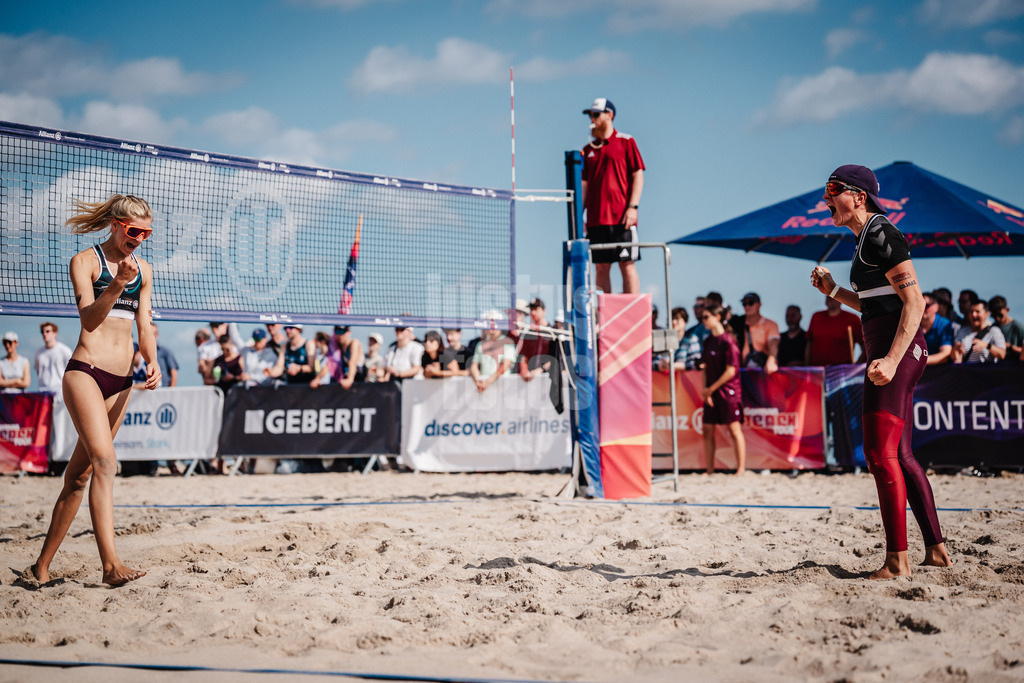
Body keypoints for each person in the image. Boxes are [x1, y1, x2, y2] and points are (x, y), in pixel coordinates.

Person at [810, 164, 950, 579]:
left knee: (879, 454)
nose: (826, 199)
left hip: (898, 353)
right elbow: (876, 305)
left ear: (858, 195)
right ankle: (937, 552)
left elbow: (916, 303)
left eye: (832, 191)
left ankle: (897, 561)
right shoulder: (863, 240)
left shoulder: (880, 233)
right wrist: (834, 292)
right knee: (901, 456)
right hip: (896, 351)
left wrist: (890, 359)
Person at [29, 193, 161, 587]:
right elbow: (88, 320)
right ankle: (110, 566)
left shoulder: (144, 269)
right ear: (116, 225)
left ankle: (40, 566)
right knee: (107, 463)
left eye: (146, 233)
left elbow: (144, 327)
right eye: (134, 230)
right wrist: (116, 285)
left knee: (79, 476)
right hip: (85, 373)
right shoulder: (86, 261)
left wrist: (150, 360)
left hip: (121, 381)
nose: (139, 238)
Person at [581, 97, 645, 294]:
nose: (592, 118)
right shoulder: (587, 150)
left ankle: (631, 313)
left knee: (626, 263)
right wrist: (580, 217)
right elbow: (584, 186)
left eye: (596, 114)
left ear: (610, 115)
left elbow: (638, 173)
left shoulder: (626, 141)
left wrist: (633, 207)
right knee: (601, 266)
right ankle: (605, 315)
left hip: (621, 218)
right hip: (596, 220)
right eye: (591, 115)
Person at [699, 304, 745, 475]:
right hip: (712, 390)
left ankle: (741, 469)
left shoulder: (728, 341)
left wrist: (710, 389)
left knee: (734, 429)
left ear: (717, 317)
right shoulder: (708, 341)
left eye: (706, 317)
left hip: (728, 391)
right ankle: (709, 470)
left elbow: (731, 370)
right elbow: (704, 367)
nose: (703, 321)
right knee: (707, 429)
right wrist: (705, 390)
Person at [805, 295, 864, 366]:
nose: (830, 298)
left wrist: (855, 368)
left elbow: (865, 345)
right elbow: (809, 343)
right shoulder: (816, 317)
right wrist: (807, 367)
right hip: (817, 371)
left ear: (841, 300)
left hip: (842, 372)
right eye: (828, 295)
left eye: (833, 295)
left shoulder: (852, 319)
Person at [470, 311, 517, 393]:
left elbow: (505, 365)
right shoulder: (480, 344)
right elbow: (474, 366)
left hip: (504, 389)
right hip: (484, 389)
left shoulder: (508, 342)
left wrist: (488, 382)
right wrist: (478, 381)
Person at [737, 292, 780, 374]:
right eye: (744, 304)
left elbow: (773, 343)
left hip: (763, 374)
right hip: (742, 374)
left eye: (751, 303)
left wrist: (771, 360)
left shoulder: (770, 325)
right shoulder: (738, 324)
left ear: (759, 304)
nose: (747, 306)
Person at [952, 300, 1006, 364]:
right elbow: (955, 358)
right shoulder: (962, 331)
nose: (974, 315)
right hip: (967, 372)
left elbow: (1002, 354)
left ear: (987, 314)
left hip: (986, 372)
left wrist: (987, 346)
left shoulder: (994, 331)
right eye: (971, 312)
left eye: (977, 312)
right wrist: (956, 349)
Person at [517, 298, 552, 382]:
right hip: (530, 380)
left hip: (548, 379)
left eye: (536, 309)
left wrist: (540, 370)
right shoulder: (529, 334)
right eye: (531, 310)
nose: (533, 312)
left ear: (544, 311)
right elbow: (523, 356)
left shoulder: (552, 332)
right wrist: (524, 370)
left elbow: (556, 358)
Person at [656, 306, 701, 372]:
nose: (673, 322)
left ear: (685, 321)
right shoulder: (663, 339)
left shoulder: (691, 339)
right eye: (671, 319)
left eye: (677, 319)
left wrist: (674, 366)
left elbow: (695, 362)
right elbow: (653, 361)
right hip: (663, 380)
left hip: (683, 380)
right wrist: (660, 366)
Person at [33, 322, 73, 394]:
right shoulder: (38, 353)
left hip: (60, 391)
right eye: (42, 332)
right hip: (43, 391)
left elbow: (71, 373)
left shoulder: (65, 351)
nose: (44, 334)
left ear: (55, 333)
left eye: (47, 331)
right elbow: (38, 372)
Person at [920, 291, 954, 365]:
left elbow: (945, 353)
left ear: (936, 307)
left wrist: (921, 362)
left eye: (926, 306)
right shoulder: (913, 323)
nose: (922, 308)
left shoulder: (944, 324)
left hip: (939, 371)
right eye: (919, 305)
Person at [989, 295, 1024, 363]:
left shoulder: (1018, 327)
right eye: (994, 316)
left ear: (1007, 310)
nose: (997, 318)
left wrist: (1010, 347)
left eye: (1000, 315)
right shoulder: (992, 328)